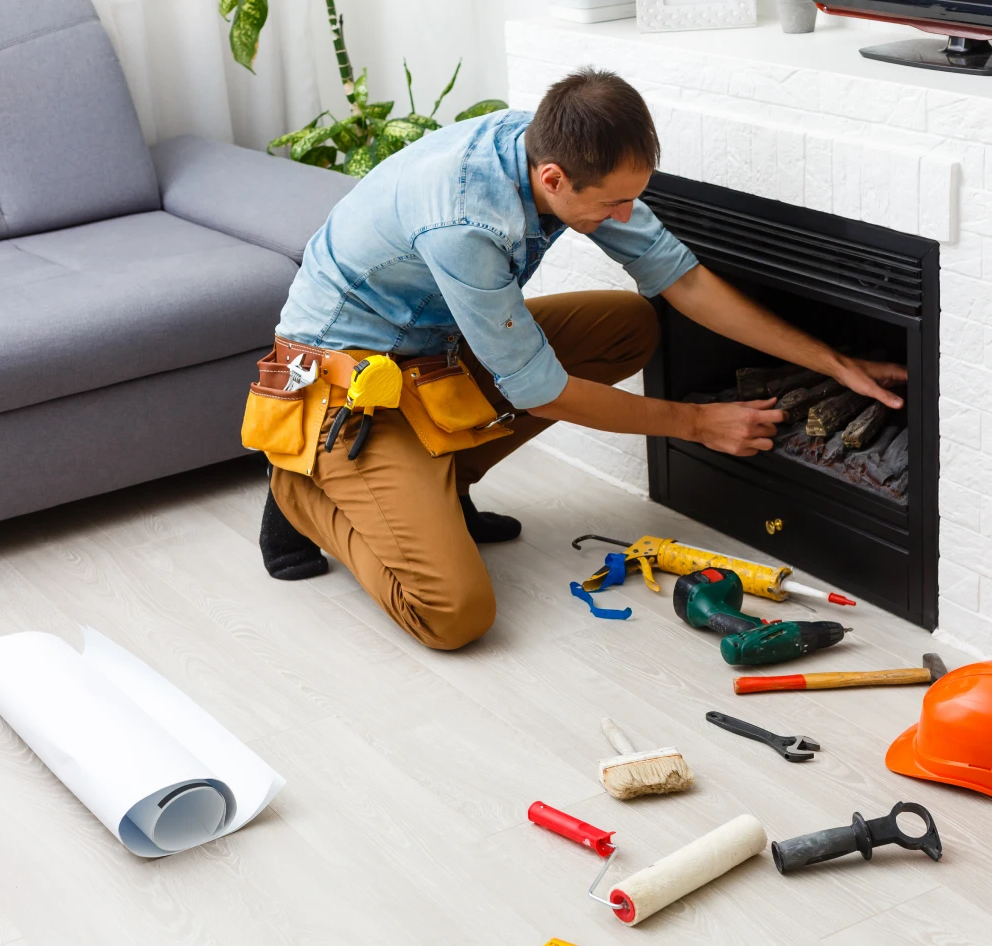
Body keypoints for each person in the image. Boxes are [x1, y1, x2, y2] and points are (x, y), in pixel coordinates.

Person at [258, 67, 905, 650]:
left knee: (625, 325)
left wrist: (833, 362)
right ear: (553, 180)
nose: (626, 216)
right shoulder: (463, 223)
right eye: (612, 205)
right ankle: (299, 492)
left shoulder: (555, 144)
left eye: (632, 197)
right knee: (454, 614)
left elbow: (681, 281)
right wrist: (696, 423)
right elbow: (539, 390)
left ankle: (437, 484)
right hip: (349, 388)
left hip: (435, 356)